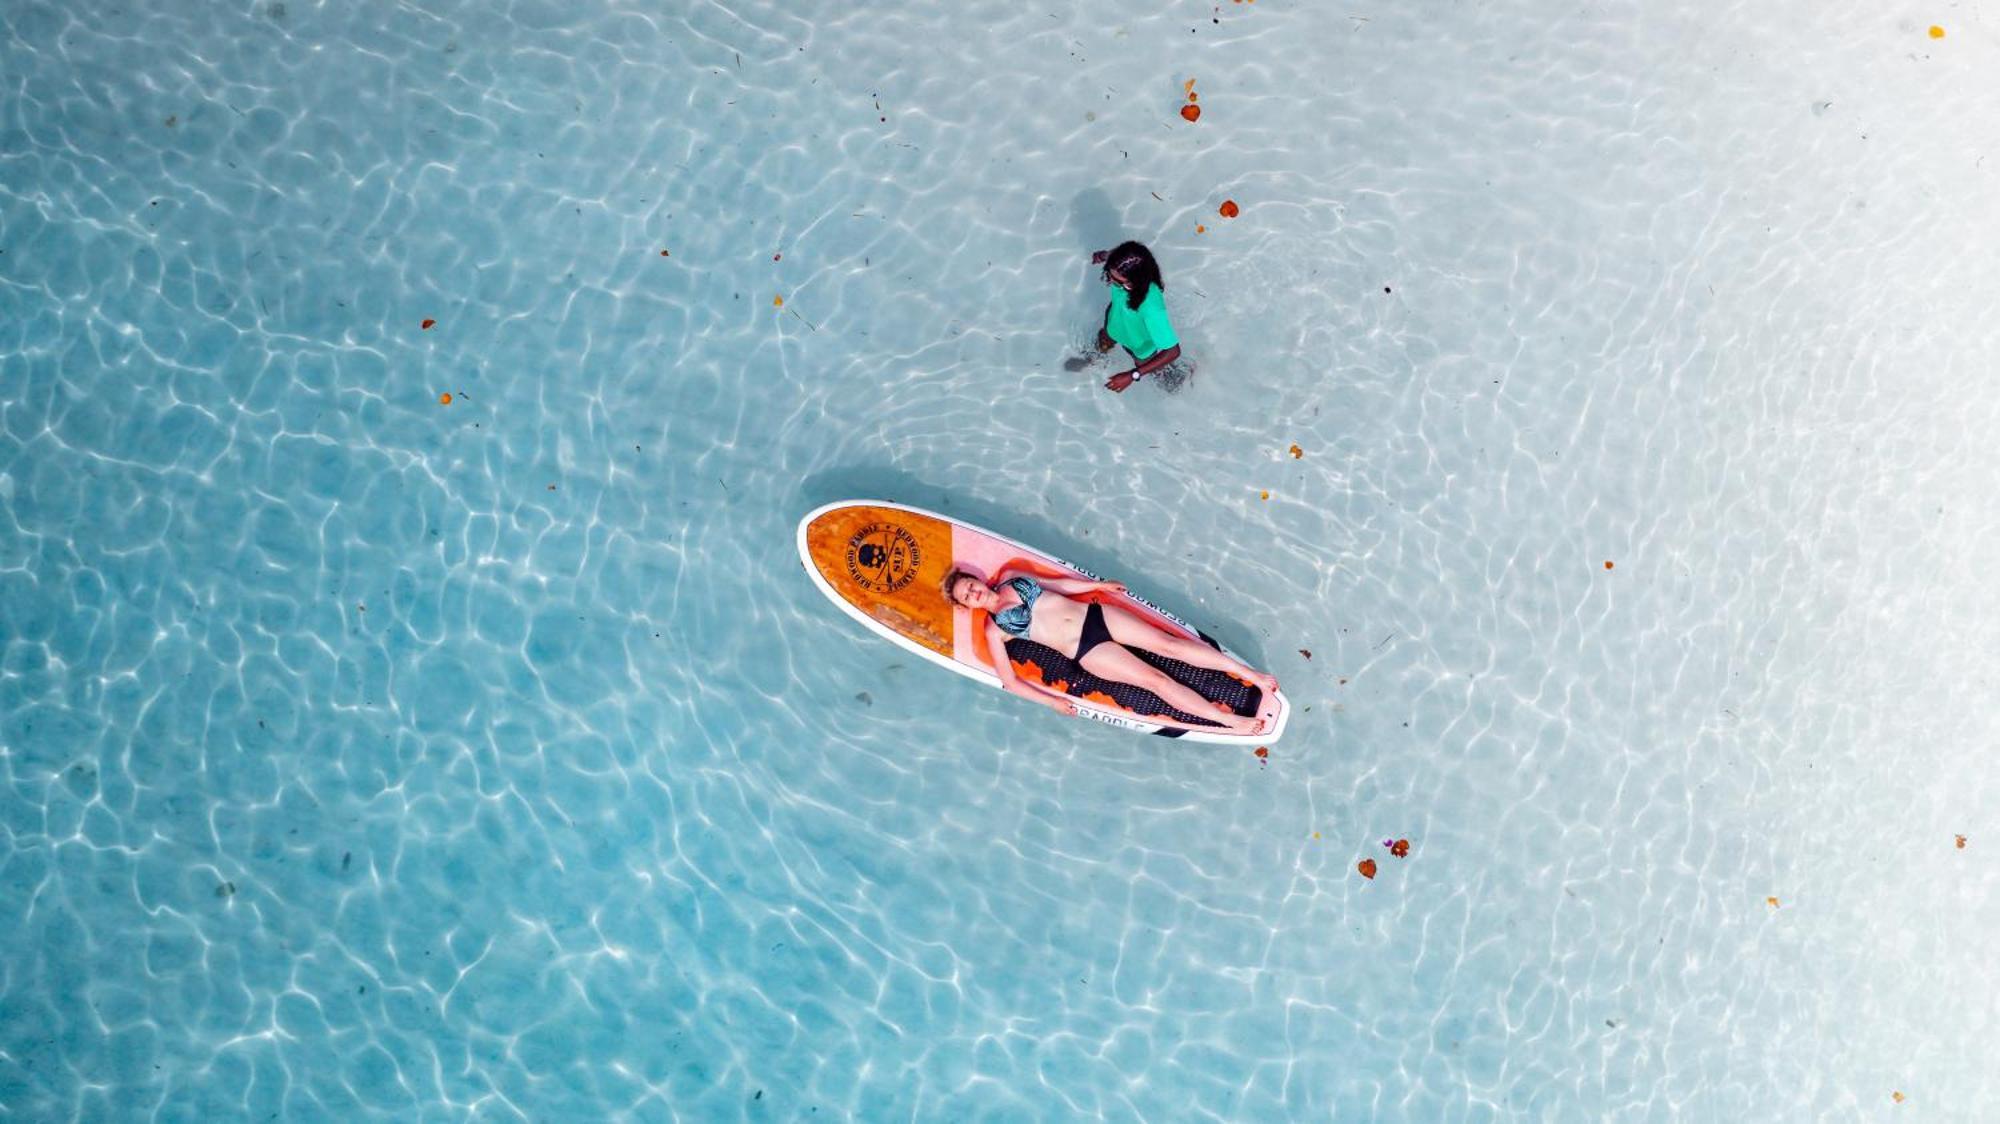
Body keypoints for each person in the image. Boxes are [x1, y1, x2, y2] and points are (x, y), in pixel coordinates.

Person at [943, 566, 1275, 733]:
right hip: (1086, 652)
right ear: (966, 605)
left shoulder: (1011, 577)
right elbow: (1010, 681)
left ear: (977, 580)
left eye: (969, 585)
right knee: (1156, 682)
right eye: (965, 596)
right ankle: (1227, 721)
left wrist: (1096, 586)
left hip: (1097, 616)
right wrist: (1053, 702)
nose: (972, 593)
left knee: (1170, 646)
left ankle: (1252, 676)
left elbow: (1057, 585)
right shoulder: (994, 629)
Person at [1089, 241, 1183, 393]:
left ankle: (1185, 376)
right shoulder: (1121, 266)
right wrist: (1105, 256)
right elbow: (1121, 256)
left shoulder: (1151, 307)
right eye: (1108, 273)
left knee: (1164, 379)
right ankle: (1093, 360)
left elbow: (1173, 351)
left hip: (1140, 348)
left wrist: (1132, 375)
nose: (1110, 281)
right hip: (1112, 327)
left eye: (1116, 281)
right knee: (1103, 341)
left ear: (1133, 283)